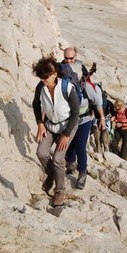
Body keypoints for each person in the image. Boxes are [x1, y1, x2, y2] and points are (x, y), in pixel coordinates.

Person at [32, 57, 80, 208]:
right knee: (41, 153)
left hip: (68, 125)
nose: (43, 80)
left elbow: (75, 113)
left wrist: (65, 135)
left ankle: (60, 191)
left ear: (54, 74)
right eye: (40, 77)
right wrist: (40, 123)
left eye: (45, 77)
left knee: (59, 158)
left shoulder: (67, 88)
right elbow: (35, 104)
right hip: (51, 125)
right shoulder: (41, 87)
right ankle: (52, 174)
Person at [65, 76, 105, 189]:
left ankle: (82, 173)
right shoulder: (64, 85)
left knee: (80, 147)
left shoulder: (86, 88)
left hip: (84, 120)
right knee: (70, 143)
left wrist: (101, 119)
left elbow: (98, 103)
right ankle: (71, 162)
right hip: (69, 120)